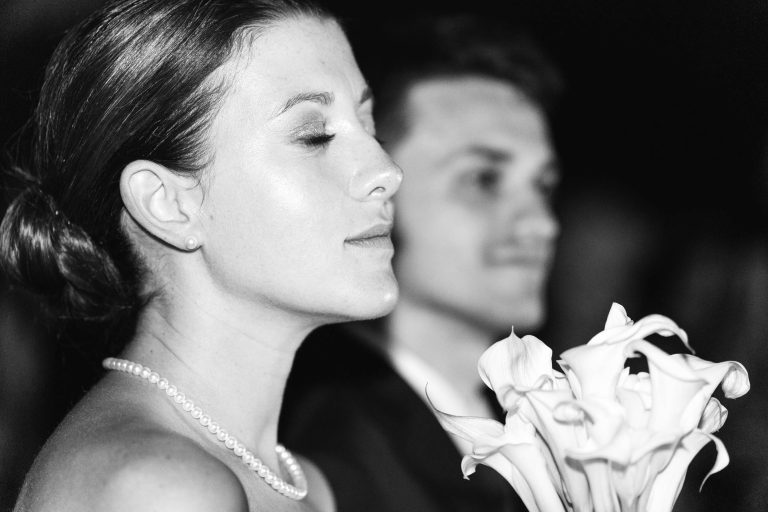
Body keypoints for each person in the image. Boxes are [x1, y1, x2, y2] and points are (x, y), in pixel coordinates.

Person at [0, 0, 402, 510]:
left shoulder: (303, 486)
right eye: (314, 136)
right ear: (169, 204)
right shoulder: (160, 487)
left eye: (369, 125)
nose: (386, 170)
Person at [281, 15, 563, 512]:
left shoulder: (542, 421)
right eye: (483, 180)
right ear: (377, 183)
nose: (542, 224)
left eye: (542, 186)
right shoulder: (333, 452)